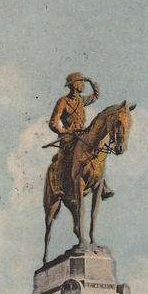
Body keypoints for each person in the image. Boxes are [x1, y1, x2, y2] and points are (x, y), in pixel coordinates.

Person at [48, 73, 114, 201]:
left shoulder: (81, 100)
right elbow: (53, 122)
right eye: (81, 82)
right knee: (64, 157)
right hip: (68, 136)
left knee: (97, 151)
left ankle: (102, 185)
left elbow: (95, 97)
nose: (83, 85)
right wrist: (62, 130)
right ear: (74, 85)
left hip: (82, 133)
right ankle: (57, 186)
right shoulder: (63, 102)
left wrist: (92, 84)